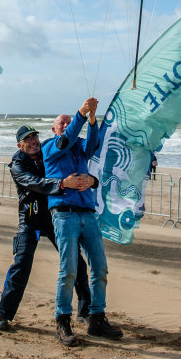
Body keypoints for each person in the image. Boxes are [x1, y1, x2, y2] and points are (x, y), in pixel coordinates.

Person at [41, 98, 122, 346]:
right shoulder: (51, 146)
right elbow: (65, 141)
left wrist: (93, 119)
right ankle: (62, 320)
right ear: (54, 129)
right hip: (64, 214)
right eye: (61, 123)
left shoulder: (79, 146)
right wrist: (80, 114)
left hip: (87, 213)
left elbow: (94, 145)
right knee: (69, 269)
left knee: (100, 267)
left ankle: (97, 317)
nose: (66, 125)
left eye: (69, 122)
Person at [0, 124, 91, 332]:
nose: (33, 142)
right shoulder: (17, 164)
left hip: (54, 217)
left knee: (76, 262)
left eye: (35, 137)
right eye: (28, 139)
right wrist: (62, 184)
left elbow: (67, 155)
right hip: (30, 219)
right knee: (21, 265)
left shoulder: (48, 153)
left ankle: (85, 311)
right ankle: (3, 314)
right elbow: (35, 182)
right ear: (20, 145)